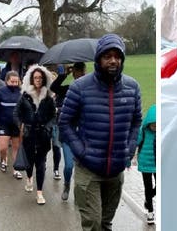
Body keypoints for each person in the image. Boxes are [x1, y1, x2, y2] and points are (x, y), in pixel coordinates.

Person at [58, 33, 142, 231]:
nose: (113, 60)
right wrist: (82, 151)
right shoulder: (80, 87)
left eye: (117, 56)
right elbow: (65, 122)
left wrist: (129, 150)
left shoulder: (132, 87)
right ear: (98, 59)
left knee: (105, 223)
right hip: (89, 169)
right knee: (93, 223)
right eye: (107, 56)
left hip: (116, 169)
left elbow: (136, 121)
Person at [14, 65, 56, 205]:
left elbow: (53, 117)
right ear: (32, 79)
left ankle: (39, 193)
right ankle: (29, 178)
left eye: (40, 77)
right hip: (28, 134)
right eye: (35, 77)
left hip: (43, 134)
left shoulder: (49, 97)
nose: (38, 80)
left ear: (44, 79)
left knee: (41, 163)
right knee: (30, 162)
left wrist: (48, 128)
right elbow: (16, 114)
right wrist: (21, 125)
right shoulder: (25, 96)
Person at [50, 62, 86, 201]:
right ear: (74, 72)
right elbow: (54, 87)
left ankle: (79, 192)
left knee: (82, 168)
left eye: (82, 71)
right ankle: (66, 185)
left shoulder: (89, 89)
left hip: (84, 134)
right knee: (69, 166)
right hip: (68, 134)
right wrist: (64, 74)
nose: (80, 74)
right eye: (77, 71)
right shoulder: (68, 89)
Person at [0, 71, 22, 178]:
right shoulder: (0, 92)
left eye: (16, 82)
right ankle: (4, 160)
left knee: (16, 148)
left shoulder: (22, 92)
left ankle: (16, 169)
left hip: (17, 125)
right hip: (3, 124)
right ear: (7, 81)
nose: (14, 84)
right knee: (3, 148)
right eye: (12, 81)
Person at [135, 104, 156, 224]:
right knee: (147, 187)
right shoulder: (143, 130)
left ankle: (149, 199)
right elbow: (136, 143)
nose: (155, 128)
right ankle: (150, 212)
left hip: (157, 165)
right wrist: (128, 159)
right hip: (145, 163)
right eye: (153, 125)